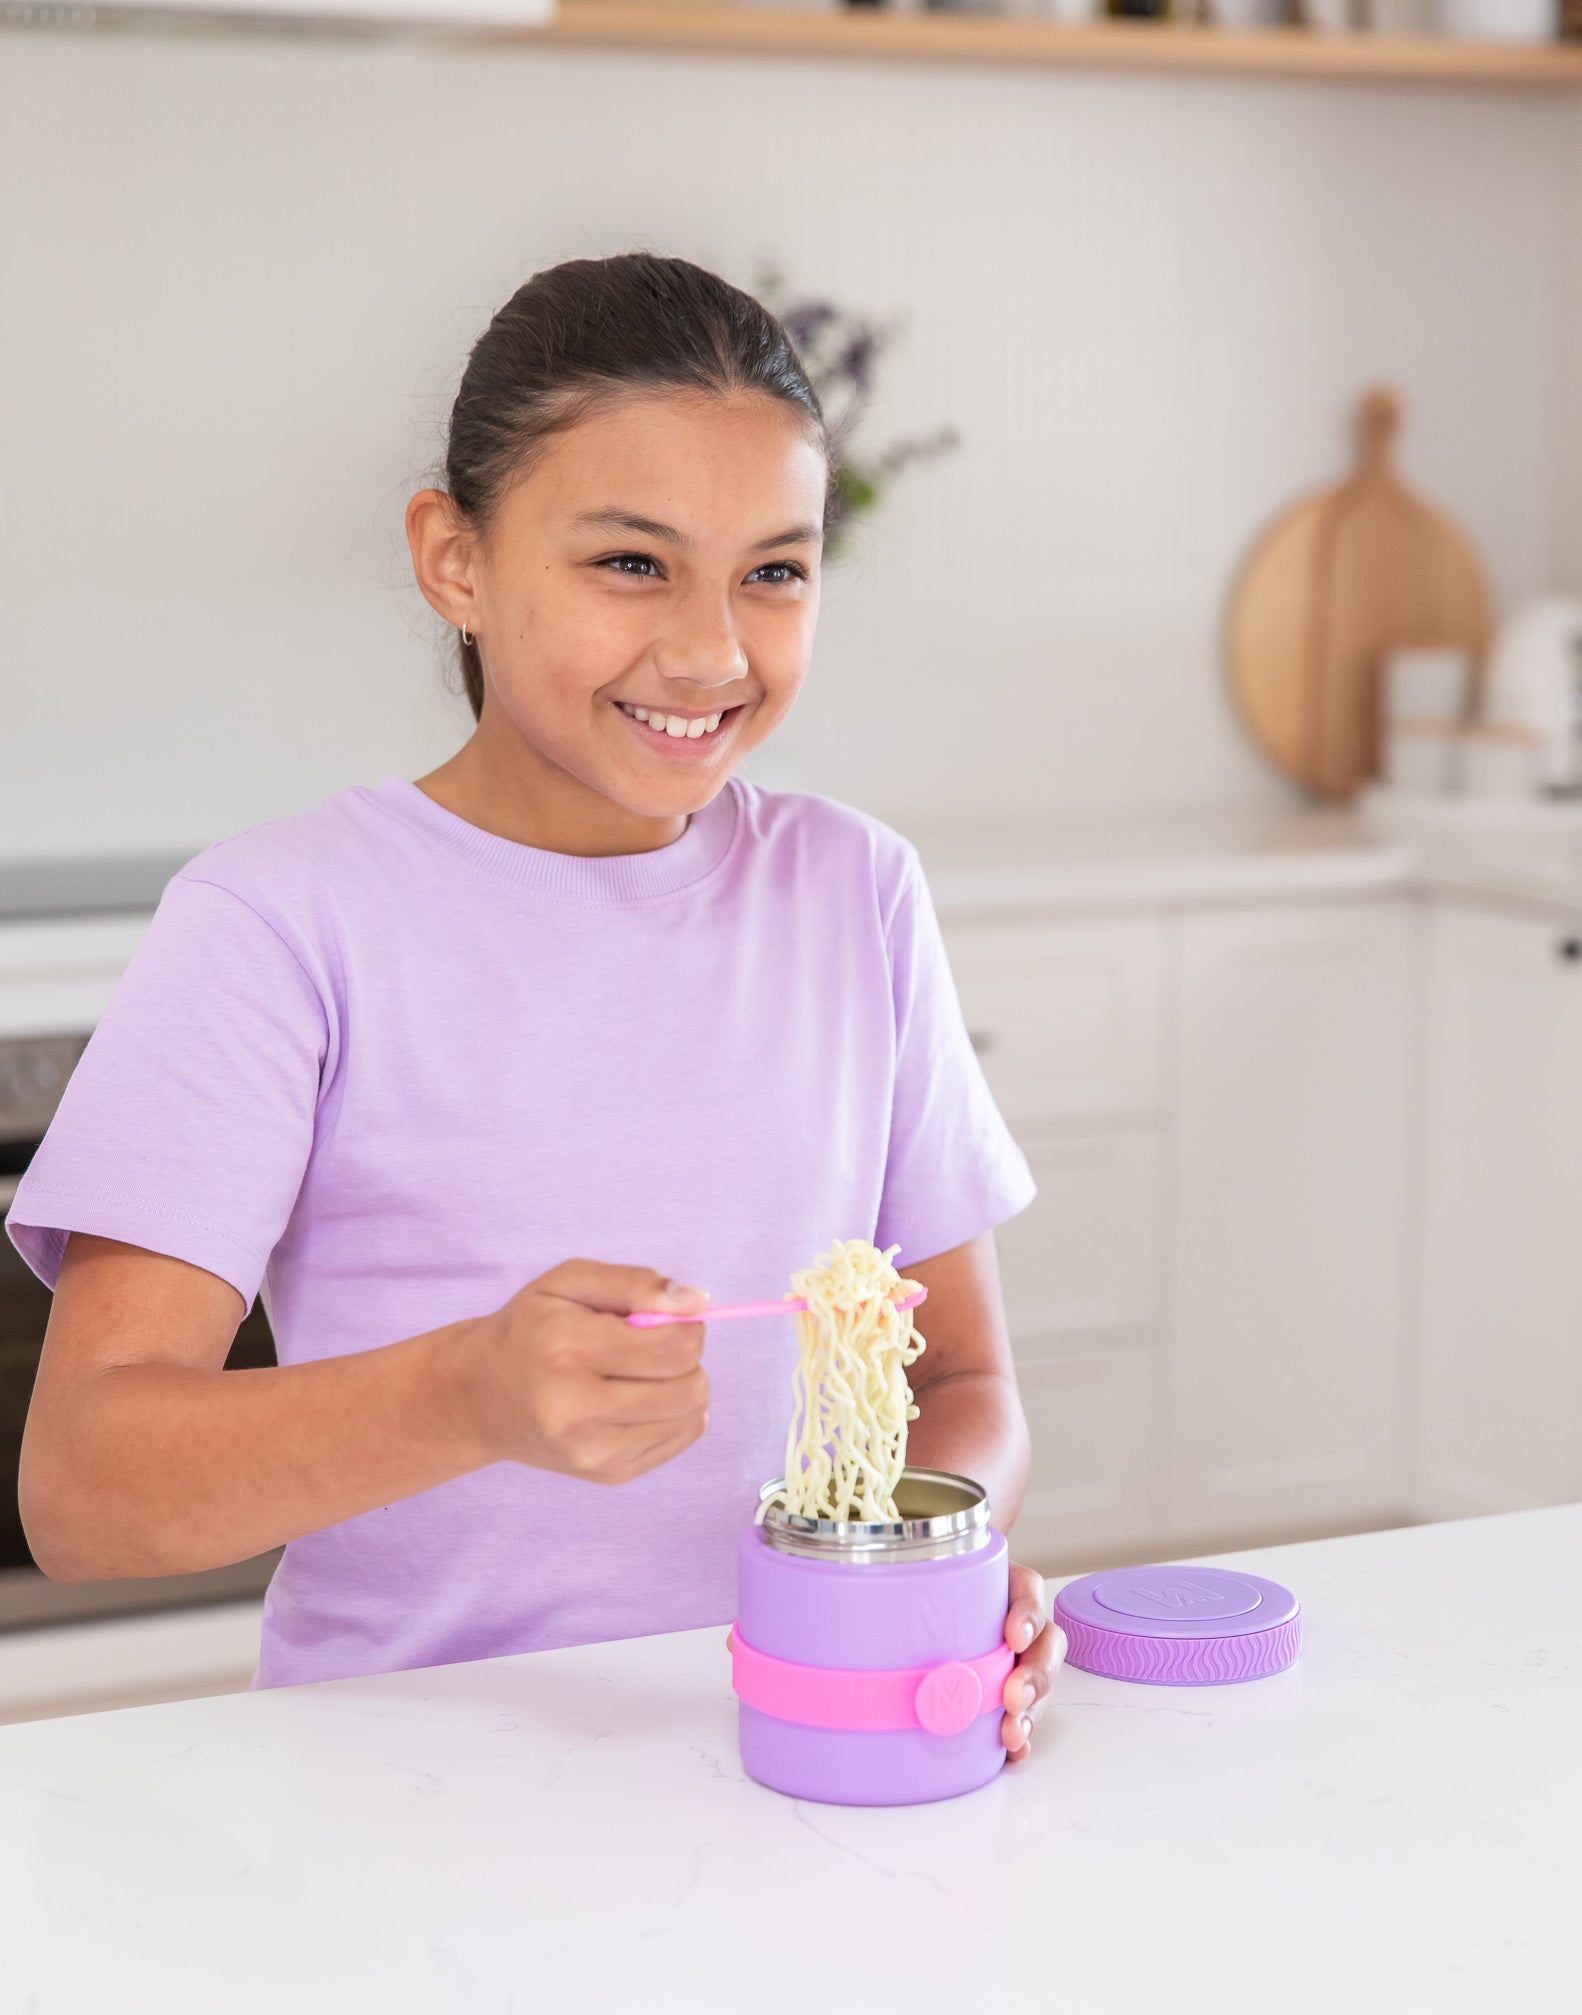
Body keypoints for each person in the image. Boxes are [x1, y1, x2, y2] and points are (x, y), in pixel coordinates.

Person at [10, 254, 1064, 1758]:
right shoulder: (280, 925)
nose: (709, 652)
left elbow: (965, 1385)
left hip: (789, 1760)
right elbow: (84, 1494)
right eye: (630, 564)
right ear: (455, 559)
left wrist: (919, 1577)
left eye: (774, 569)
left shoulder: (854, 893)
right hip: (402, 1797)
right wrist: (468, 1394)